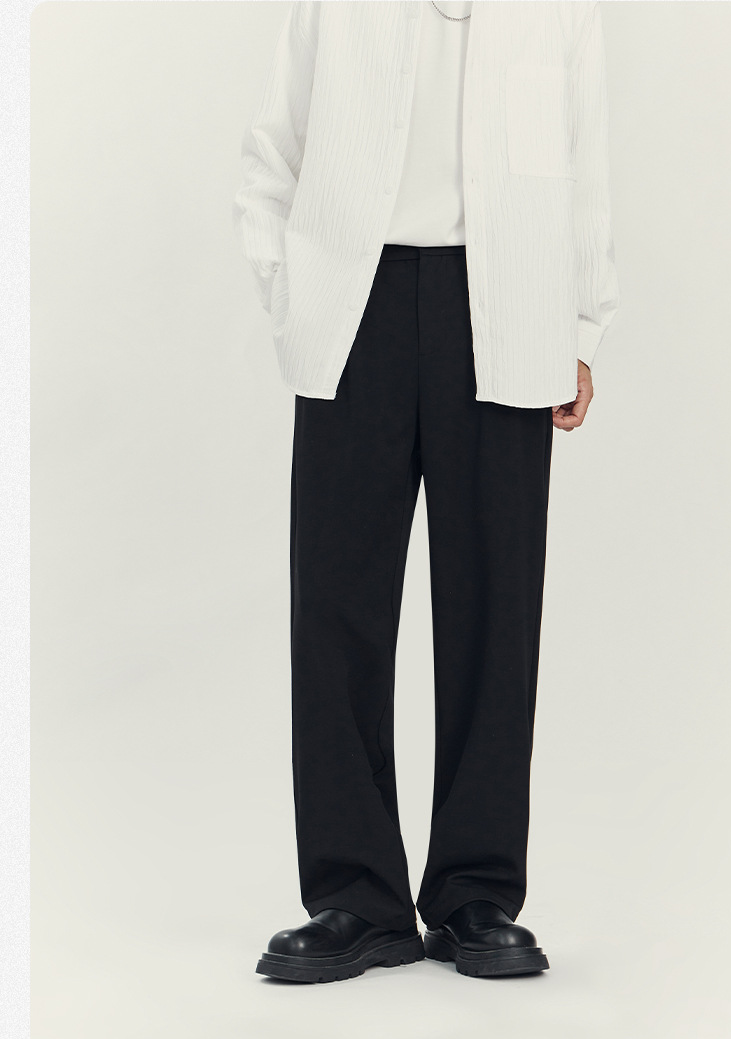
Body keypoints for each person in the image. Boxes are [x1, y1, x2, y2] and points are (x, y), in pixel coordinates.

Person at [232, 0, 619, 983]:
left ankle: (474, 891)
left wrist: (580, 327)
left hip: (508, 306)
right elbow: (273, 147)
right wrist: (291, 295)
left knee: (496, 609)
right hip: (351, 307)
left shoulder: (561, 11)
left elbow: (585, 163)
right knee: (337, 606)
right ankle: (355, 895)